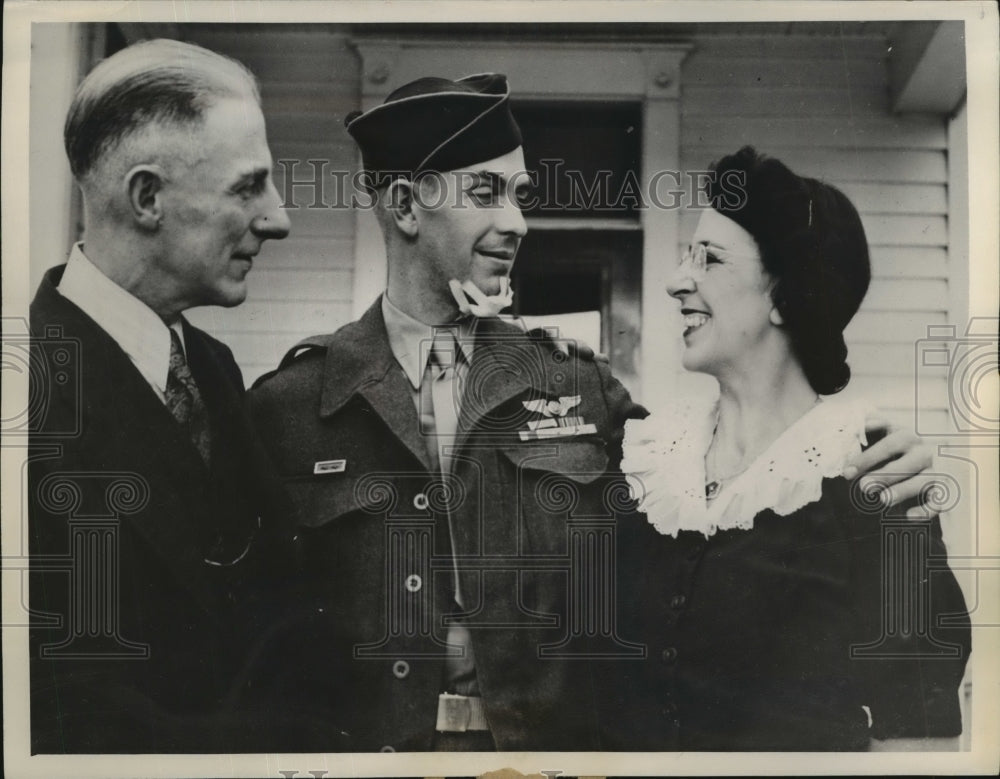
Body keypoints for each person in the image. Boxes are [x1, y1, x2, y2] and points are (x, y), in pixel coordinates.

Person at [249, 78, 943, 753]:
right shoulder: (290, 407)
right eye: (486, 193)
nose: (518, 222)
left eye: (521, 196)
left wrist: (886, 445)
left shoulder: (578, 387)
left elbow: (750, 471)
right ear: (405, 206)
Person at [595, 147, 971, 751]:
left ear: (785, 295)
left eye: (709, 259)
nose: (675, 281)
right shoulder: (648, 462)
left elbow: (918, 741)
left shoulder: (874, 479)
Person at [28, 39, 295, 752]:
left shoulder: (215, 369)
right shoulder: (21, 399)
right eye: (248, 187)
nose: (278, 218)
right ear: (147, 197)